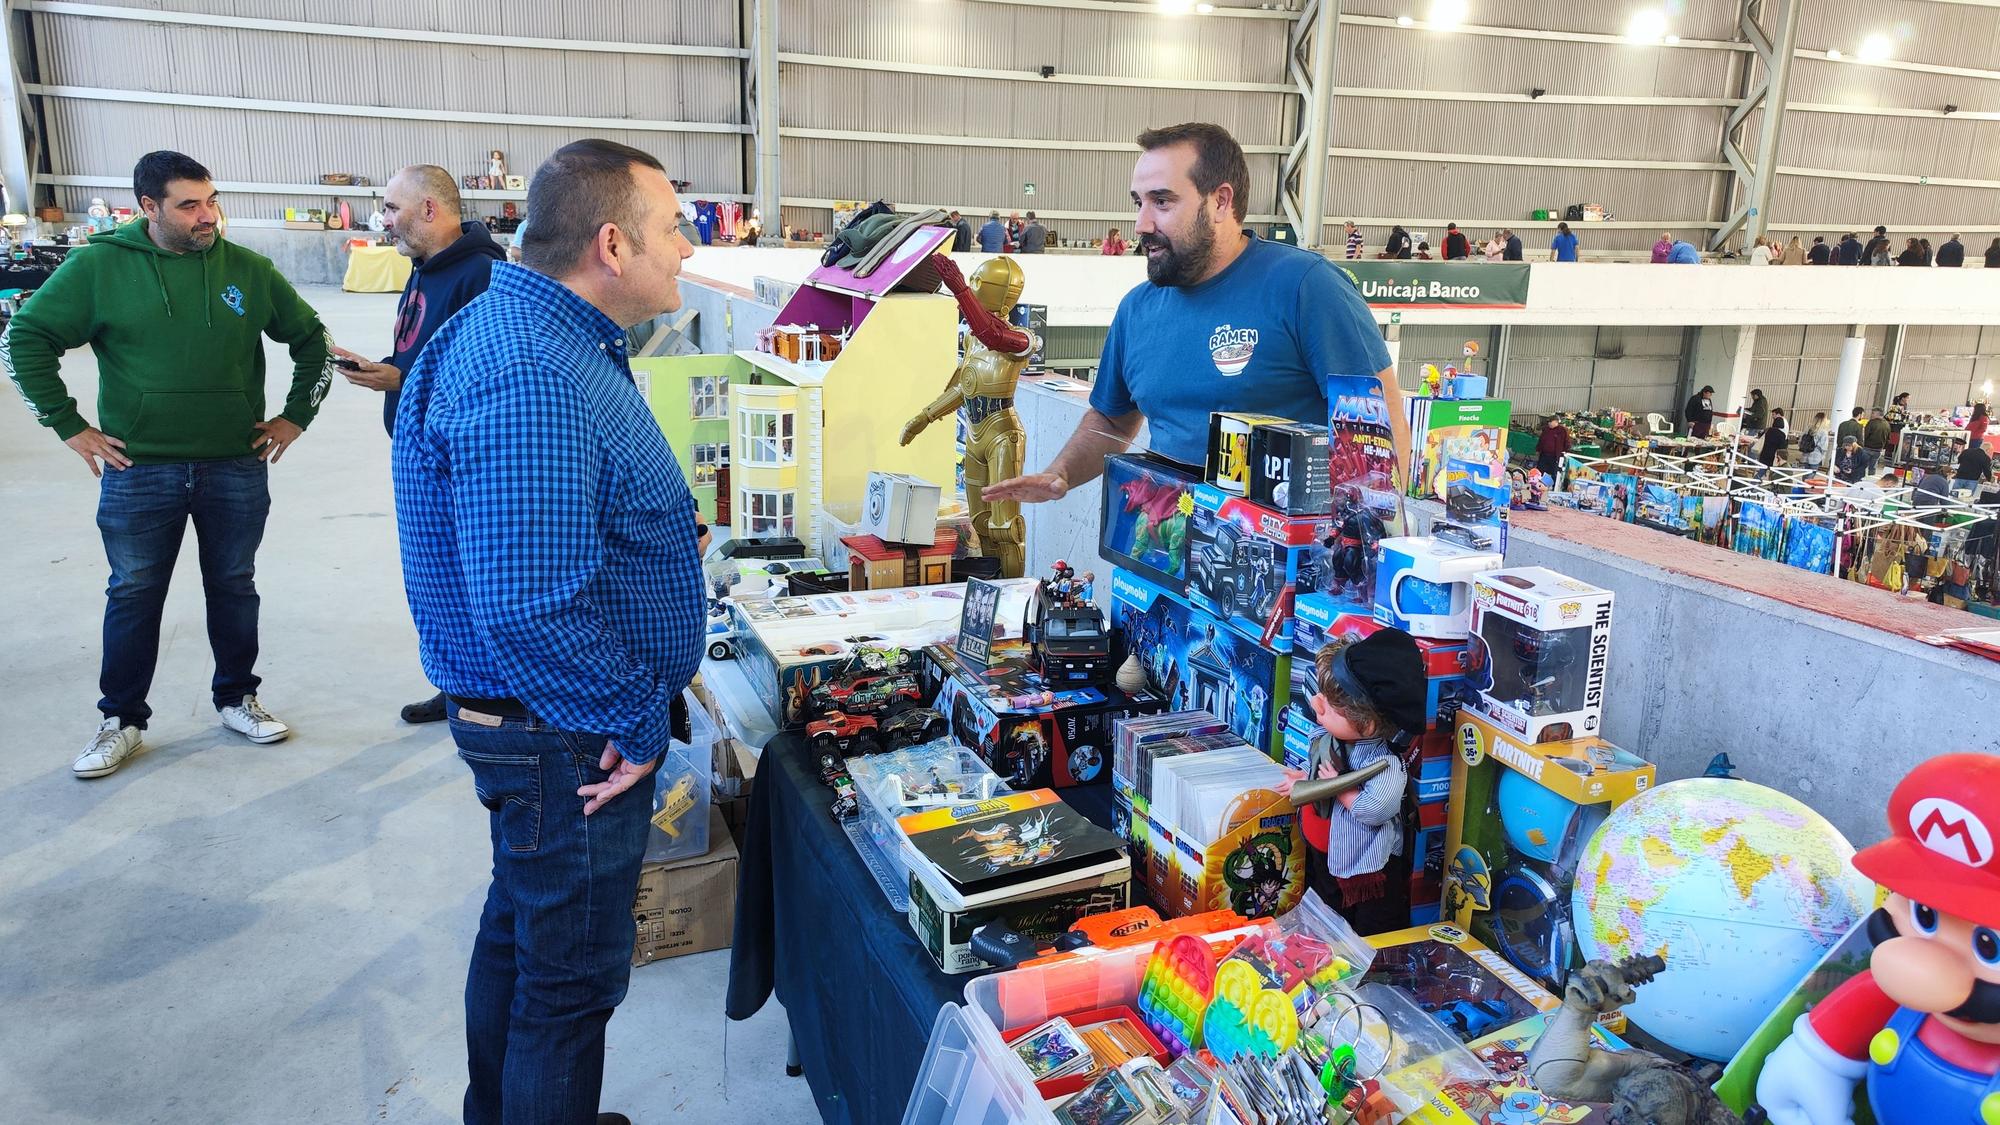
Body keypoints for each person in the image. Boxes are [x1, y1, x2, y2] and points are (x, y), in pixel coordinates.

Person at [393, 139, 706, 1125]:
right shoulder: (531, 369)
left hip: (545, 726)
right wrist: (637, 721)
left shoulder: (542, 338)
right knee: (567, 984)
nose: (687, 249)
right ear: (612, 244)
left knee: (523, 940)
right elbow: (532, 607)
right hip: (566, 735)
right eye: (673, 229)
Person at [6, 150, 332, 778]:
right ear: (148, 207)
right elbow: (23, 338)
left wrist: (296, 416)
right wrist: (68, 425)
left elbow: (311, 337)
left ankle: (238, 697)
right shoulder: (100, 265)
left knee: (234, 585)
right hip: (139, 469)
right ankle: (121, 719)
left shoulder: (249, 269)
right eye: (189, 204)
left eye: (211, 200)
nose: (207, 215)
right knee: (133, 592)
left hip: (235, 465)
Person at [981, 121, 1406, 504]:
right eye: (1139, 202)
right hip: (1163, 552)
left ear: (1220, 202)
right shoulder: (1137, 308)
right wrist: (1061, 474)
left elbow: (1378, 431)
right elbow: (1113, 417)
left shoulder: (1306, 286)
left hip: (1283, 568)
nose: (1141, 224)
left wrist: (1354, 556)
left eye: (1162, 202)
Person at [328, 164, 504, 725]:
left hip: (459, 461)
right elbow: (422, 349)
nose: (384, 220)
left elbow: (484, 378)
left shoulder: (481, 274)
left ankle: (487, 695)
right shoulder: (426, 267)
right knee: (436, 583)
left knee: (469, 579)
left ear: (429, 209)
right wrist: (389, 371)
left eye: (391, 209)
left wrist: (400, 380)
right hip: (419, 449)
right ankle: (456, 684)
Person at [1288, 630, 1426, 934]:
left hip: (1364, 866)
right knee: (1324, 914)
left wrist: (1344, 791)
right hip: (1324, 855)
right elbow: (1317, 764)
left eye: (1332, 708)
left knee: (1370, 924)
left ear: (1369, 723)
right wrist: (1304, 779)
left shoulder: (1383, 764)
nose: (1316, 704)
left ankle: (1371, 967)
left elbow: (1377, 808)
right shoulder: (1329, 740)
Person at [1757, 408, 1789, 478]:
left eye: (1774, 415)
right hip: (1775, 454)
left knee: (1762, 471)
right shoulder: (1782, 433)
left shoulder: (1770, 431)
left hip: (1767, 454)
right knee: (1773, 473)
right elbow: (1782, 445)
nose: (1772, 417)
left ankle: (1753, 484)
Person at [1862, 408, 1893, 475]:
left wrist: (1863, 443)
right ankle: (1871, 481)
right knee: (1873, 467)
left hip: (1867, 447)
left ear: (1878, 414)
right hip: (1878, 449)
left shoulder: (1871, 422)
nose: (1871, 415)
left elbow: (1866, 435)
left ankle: (1860, 480)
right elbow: (1888, 438)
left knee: (1862, 466)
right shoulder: (1887, 424)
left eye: (1873, 413)